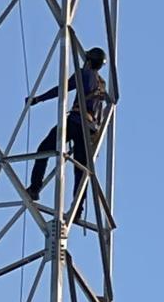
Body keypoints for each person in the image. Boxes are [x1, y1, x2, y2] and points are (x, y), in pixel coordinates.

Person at [26, 47, 110, 217]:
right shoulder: (101, 84)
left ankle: (34, 188)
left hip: (75, 122)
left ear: (88, 61)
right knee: (81, 169)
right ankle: (77, 210)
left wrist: (38, 99)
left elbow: (61, 89)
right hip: (91, 130)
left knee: (45, 148)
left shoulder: (83, 74)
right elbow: (101, 110)